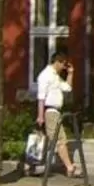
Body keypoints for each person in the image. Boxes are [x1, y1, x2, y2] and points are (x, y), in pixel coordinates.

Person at [35, 47, 77, 176]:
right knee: (60, 140)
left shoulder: (56, 77)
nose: (64, 67)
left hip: (56, 112)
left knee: (53, 140)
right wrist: (40, 115)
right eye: (64, 64)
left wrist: (70, 73)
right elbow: (41, 97)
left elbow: (68, 88)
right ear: (58, 61)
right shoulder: (45, 76)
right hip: (50, 111)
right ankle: (69, 167)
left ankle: (31, 165)